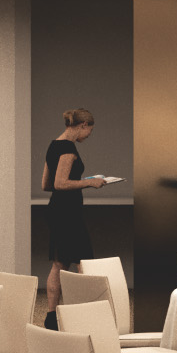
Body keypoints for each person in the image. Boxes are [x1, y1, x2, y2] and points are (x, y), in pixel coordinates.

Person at [42, 108, 114, 271]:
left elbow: (47, 185)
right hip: (68, 213)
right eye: (90, 130)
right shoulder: (68, 148)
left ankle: (59, 298)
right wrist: (90, 183)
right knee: (85, 263)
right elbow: (60, 184)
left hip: (56, 209)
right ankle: (88, 297)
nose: (89, 134)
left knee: (60, 264)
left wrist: (80, 181)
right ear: (83, 125)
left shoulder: (53, 145)